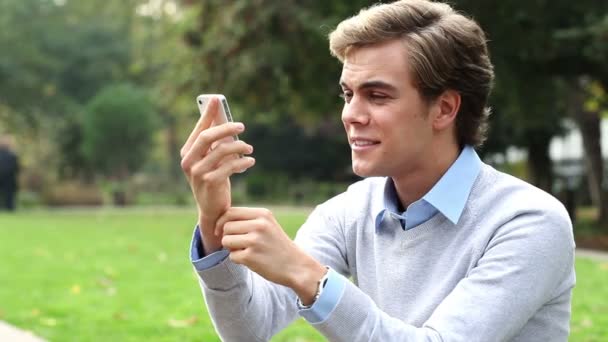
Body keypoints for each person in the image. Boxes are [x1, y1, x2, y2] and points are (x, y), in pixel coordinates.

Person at [180, 1, 575, 341]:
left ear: (445, 109)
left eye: (377, 95)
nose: (351, 115)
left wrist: (309, 277)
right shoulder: (352, 211)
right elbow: (249, 329)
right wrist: (214, 222)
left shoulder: (530, 223)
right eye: (348, 94)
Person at [0, 135, 19, 212]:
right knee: (9, 195)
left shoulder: (13, 155)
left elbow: (15, 168)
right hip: (8, 178)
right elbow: (16, 168)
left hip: (9, 179)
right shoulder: (13, 155)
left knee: (9, 195)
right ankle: (9, 208)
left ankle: (9, 208)